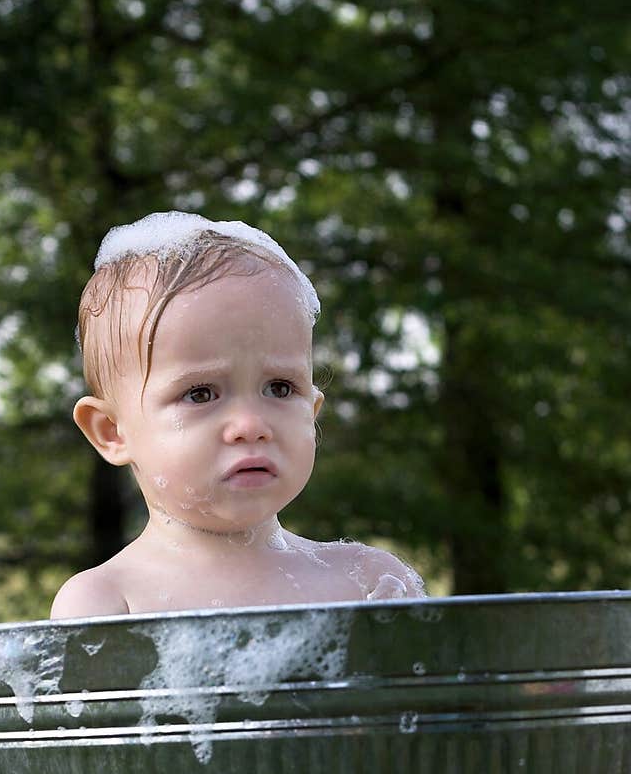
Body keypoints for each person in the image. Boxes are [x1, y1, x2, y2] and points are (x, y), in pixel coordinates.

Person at [50, 211, 426, 618]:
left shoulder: (369, 583)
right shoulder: (107, 602)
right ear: (112, 432)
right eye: (200, 394)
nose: (251, 426)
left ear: (312, 412)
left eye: (280, 388)